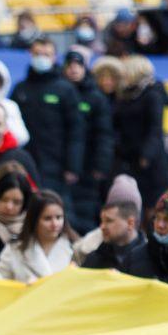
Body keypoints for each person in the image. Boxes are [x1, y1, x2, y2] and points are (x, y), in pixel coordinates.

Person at [11, 37, 82, 196]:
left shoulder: (65, 89)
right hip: (26, 161)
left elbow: (76, 131)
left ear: (54, 57)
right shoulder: (20, 89)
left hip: (56, 164)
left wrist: (72, 166)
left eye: (46, 54)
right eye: (37, 54)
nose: (41, 58)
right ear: (30, 54)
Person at [62, 50, 114, 229]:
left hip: (89, 163)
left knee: (87, 210)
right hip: (64, 163)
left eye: (78, 65)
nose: (73, 70)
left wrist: (101, 165)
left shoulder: (96, 97)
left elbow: (104, 134)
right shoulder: (60, 92)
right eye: (70, 65)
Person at [112, 55, 168, 213]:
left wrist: (146, 156)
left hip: (150, 162)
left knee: (152, 209)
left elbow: (155, 128)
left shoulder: (153, 94)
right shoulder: (124, 95)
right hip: (129, 159)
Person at [0, 190, 77, 282]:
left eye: (59, 217)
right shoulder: (15, 249)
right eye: (47, 218)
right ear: (34, 220)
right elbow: (0, 279)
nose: (55, 224)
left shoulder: (75, 248)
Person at [83, 200, 146, 271]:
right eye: (102, 221)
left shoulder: (149, 259)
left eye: (109, 221)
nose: (102, 227)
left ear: (130, 223)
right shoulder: (94, 259)